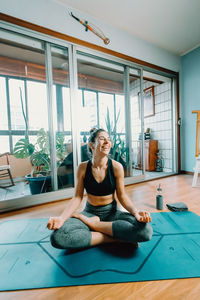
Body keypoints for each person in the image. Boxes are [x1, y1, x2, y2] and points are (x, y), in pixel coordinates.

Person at [47, 128, 153, 249]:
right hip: (90, 213)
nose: (107, 142)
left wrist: (135, 212)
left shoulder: (117, 167)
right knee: (58, 237)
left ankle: (95, 226)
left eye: (109, 139)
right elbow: (77, 197)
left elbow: (122, 196)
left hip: (112, 213)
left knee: (145, 231)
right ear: (92, 145)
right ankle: (114, 238)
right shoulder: (82, 168)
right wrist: (61, 218)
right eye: (102, 139)